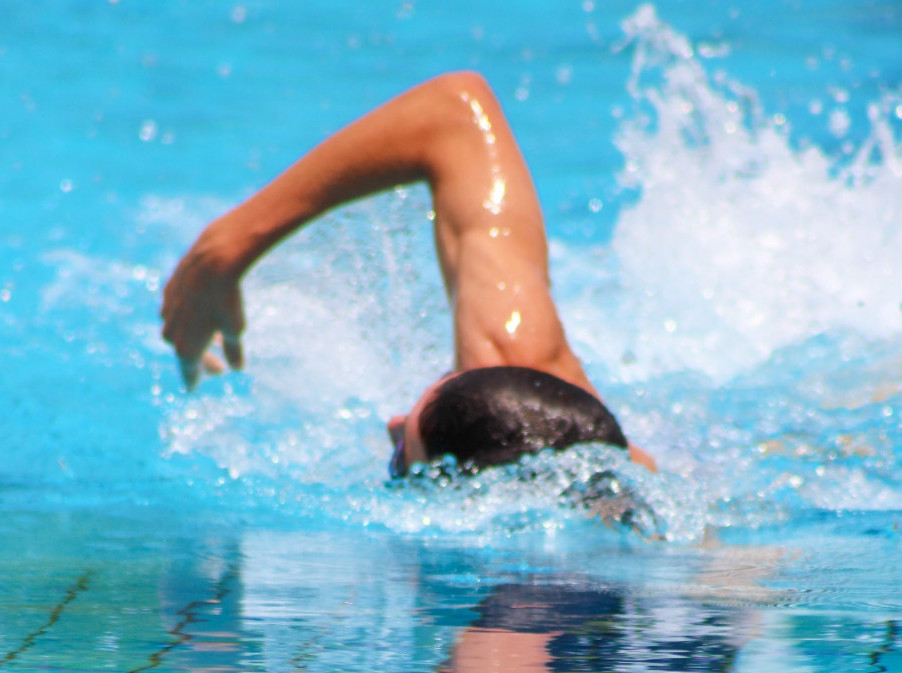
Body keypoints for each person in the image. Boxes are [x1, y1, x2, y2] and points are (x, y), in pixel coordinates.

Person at [160, 71, 656, 476]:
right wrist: (227, 247)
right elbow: (456, 113)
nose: (392, 423)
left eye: (404, 458)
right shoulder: (517, 364)